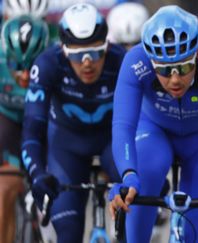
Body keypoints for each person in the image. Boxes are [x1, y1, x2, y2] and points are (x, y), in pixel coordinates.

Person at [108, 5, 198, 243]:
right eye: (164, 70)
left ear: (197, 55)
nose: (175, 79)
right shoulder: (134, 61)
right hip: (154, 133)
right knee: (145, 176)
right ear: (151, 62)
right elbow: (123, 125)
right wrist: (128, 175)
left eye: (183, 67)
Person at [21, 3, 124, 242]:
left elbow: (143, 121)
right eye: (78, 55)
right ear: (64, 51)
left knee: (131, 223)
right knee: (68, 232)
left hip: (112, 143)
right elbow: (32, 130)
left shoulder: (121, 60)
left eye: (96, 52)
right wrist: (37, 174)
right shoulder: (47, 64)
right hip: (67, 148)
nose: (87, 62)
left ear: (107, 47)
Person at [0, 14, 49, 243]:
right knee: (5, 188)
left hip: (43, 122)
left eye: (32, 65)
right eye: (17, 66)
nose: (25, 75)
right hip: (7, 121)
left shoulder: (55, 63)